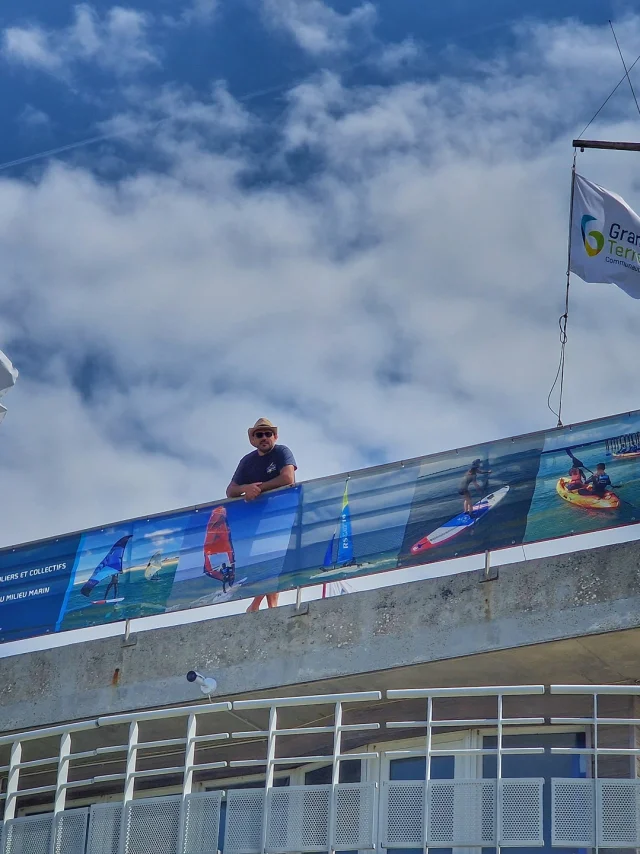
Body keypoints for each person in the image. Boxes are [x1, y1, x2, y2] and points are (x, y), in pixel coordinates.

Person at [226, 418, 297, 611]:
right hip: (258, 519)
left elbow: (288, 477)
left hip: (283, 515)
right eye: (259, 434)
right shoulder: (247, 461)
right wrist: (245, 488)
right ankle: (262, 604)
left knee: (274, 559)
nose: (264, 437)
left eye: (268, 433)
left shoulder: (282, 451)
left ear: (275, 436)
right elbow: (230, 491)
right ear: (253, 440)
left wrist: (258, 489)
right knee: (262, 559)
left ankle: (260, 604)